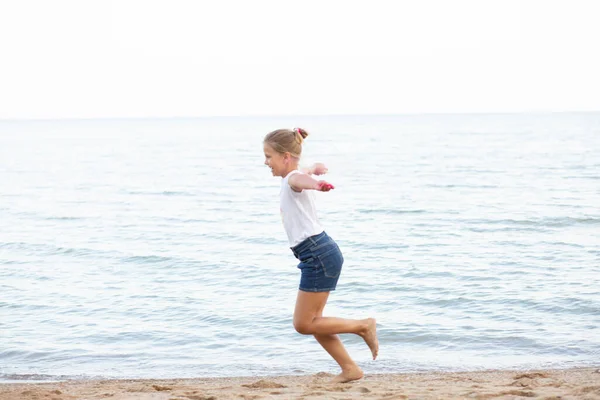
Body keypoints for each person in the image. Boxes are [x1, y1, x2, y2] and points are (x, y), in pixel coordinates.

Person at [262, 127, 379, 383]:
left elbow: (299, 180)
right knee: (315, 321)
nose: (265, 162)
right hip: (319, 252)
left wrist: (316, 184)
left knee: (303, 324)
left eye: (268, 156)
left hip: (317, 254)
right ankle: (350, 369)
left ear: (284, 156)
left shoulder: (292, 178)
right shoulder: (291, 175)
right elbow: (300, 173)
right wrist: (313, 169)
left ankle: (363, 326)